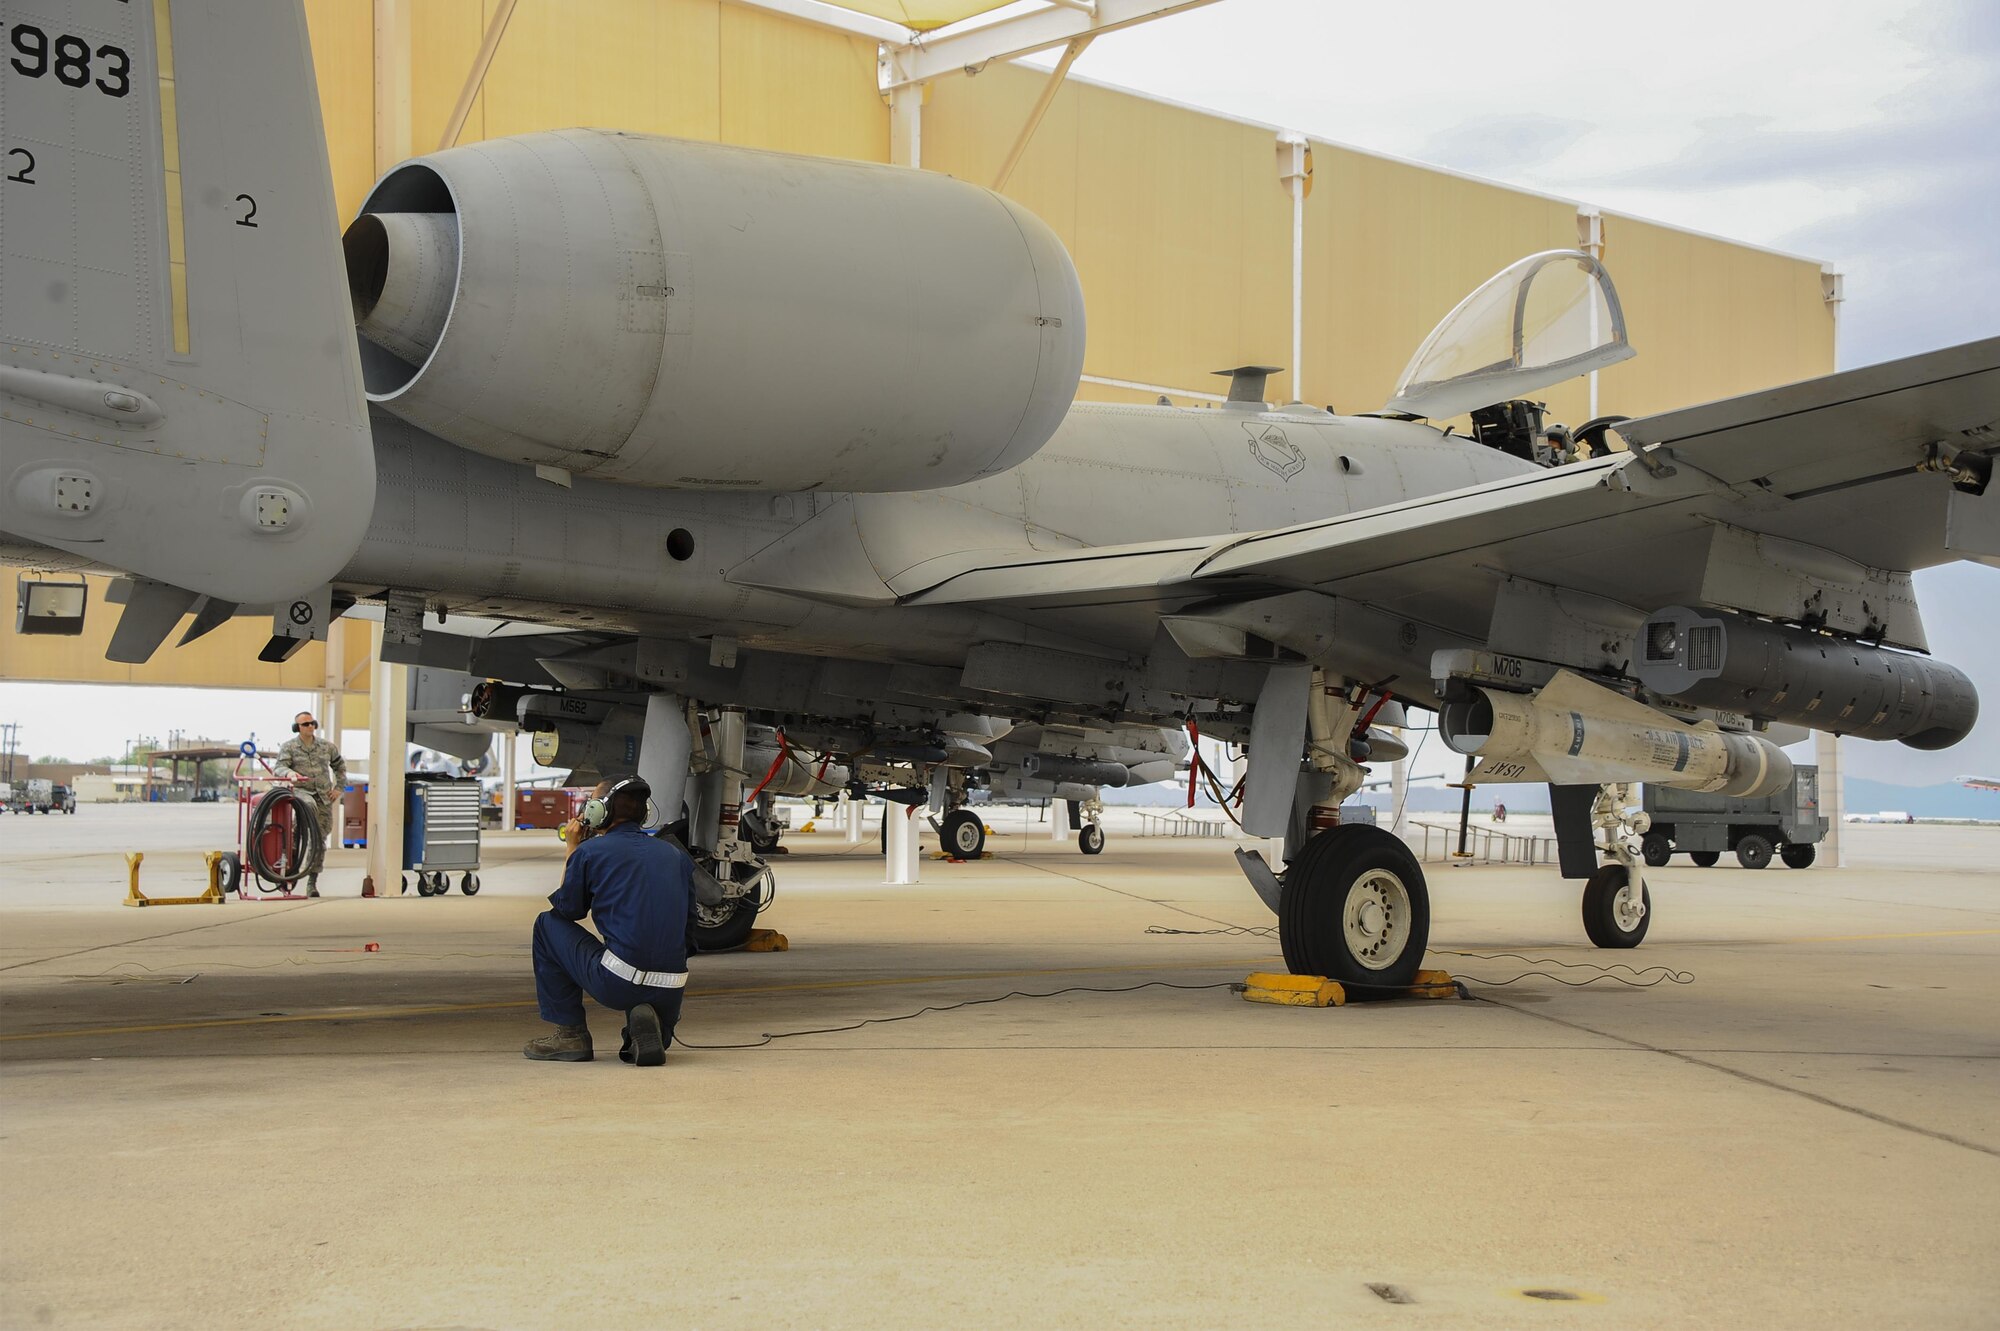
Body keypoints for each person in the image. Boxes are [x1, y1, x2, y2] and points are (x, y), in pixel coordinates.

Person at [525, 775, 696, 1066]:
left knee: (546, 925)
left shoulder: (591, 853)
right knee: (647, 950)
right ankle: (648, 1027)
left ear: (600, 811)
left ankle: (570, 1035)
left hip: (619, 983)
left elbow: (568, 910)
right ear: (644, 814)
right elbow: (691, 932)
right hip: (672, 986)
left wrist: (572, 848)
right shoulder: (675, 856)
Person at [273, 711, 345, 897]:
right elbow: (279, 767)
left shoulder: (326, 747)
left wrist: (339, 788)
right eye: (305, 724)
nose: (310, 726)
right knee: (307, 807)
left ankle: (312, 882)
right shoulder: (290, 747)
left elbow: (340, 767)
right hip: (301, 793)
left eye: (312, 723)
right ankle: (293, 866)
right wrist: (289, 774)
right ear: (297, 727)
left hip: (323, 797)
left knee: (319, 841)